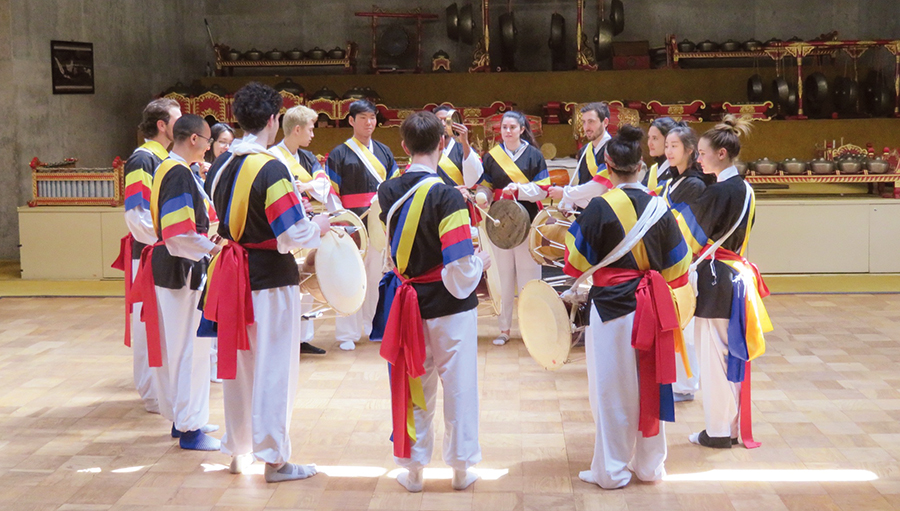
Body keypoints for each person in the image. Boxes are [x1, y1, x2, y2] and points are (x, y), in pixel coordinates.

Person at [204, 82, 330, 482]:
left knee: (240, 367)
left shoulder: (223, 162)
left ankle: (238, 449)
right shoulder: (271, 166)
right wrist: (319, 226)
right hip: (270, 278)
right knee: (275, 367)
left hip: (232, 271)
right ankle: (275, 459)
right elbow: (293, 232)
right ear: (274, 120)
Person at [563, 125, 692, 489]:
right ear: (640, 165)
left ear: (607, 164)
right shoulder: (660, 206)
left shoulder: (600, 207)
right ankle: (650, 466)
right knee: (651, 382)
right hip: (652, 305)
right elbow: (679, 271)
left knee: (612, 390)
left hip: (610, 310)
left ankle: (613, 470)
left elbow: (574, 263)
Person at [376, 111, 487, 493]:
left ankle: (414, 470)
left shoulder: (387, 191)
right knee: (459, 386)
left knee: (415, 384)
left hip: (407, 302)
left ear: (404, 147)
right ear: (443, 144)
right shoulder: (446, 195)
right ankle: (460, 470)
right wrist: (481, 264)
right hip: (451, 309)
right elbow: (458, 266)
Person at [679, 115, 771, 449]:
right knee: (729, 354)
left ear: (721, 153)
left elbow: (687, 234)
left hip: (717, 279)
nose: (698, 159)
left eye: (701, 153)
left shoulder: (719, 191)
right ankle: (729, 427)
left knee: (714, 357)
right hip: (734, 275)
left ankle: (718, 431)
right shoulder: (744, 188)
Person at [134, 114, 220, 450]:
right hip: (181, 267)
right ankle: (189, 427)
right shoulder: (178, 172)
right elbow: (178, 233)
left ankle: (185, 418)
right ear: (195, 139)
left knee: (186, 347)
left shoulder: (175, 169)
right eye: (209, 140)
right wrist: (213, 248)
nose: (210, 146)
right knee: (191, 347)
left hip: (177, 266)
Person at [116, 97, 181, 415]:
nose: (181, 125)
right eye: (176, 119)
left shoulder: (164, 158)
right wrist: (165, 241)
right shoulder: (143, 160)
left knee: (163, 324)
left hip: (162, 250)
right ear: (161, 125)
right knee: (146, 324)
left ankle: (162, 389)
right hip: (150, 252)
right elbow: (136, 214)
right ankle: (151, 392)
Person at [324, 99, 398, 351]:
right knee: (349, 276)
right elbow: (331, 193)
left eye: (373, 117)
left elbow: (394, 185)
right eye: (363, 118)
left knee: (377, 274)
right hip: (351, 224)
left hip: (377, 222)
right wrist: (342, 219)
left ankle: (373, 326)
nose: (369, 122)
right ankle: (347, 332)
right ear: (351, 120)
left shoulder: (385, 152)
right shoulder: (338, 154)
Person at [475, 111, 549, 346]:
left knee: (529, 278)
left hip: (528, 222)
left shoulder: (535, 156)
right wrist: (482, 195)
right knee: (503, 277)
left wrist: (519, 190)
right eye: (504, 127)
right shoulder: (491, 157)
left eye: (512, 127)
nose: (507, 131)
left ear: (522, 129)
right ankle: (504, 328)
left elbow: (543, 189)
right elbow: (485, 183)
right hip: (501, 223)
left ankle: (532, 329)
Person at [272, 105, 335, 355]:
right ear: (296, 129)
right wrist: (300, 189)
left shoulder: (307, 157)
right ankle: (287, 336)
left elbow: (323, 184)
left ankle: (303, 337)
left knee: (308, 276)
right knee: (291, 282)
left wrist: (306, 185)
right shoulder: (273, 157)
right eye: (310, 129)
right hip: (286, 224)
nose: (312, 134)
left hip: (309, 222)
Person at [660, 124, 708, 402]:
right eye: (667, 145)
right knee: (675, 325)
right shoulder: (673, 179)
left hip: (686, 261)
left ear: (690, 150)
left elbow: (684, 226)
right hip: (673, 260)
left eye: (674, 145)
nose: (668, 150)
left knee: (686, 326)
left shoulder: (693, 184)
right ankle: (678, 380)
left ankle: (687, 384)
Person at [547, 102, 612, 211]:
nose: (587, 127)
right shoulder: (584, 151)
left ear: (605, 122)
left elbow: (599, 187)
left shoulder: (614, 149)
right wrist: (570, 204)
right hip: (585, 213)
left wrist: (565, 193)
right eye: (584, 122)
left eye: (591, 122)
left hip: (606, 212)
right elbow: (583, 183)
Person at [432, 105, 484, 187]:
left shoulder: (463, 148)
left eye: (446, 120)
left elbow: (475, 175)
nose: (443, 124)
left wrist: (464, 141)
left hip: (459, 196)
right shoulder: (426, 149)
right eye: (439, 120)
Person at [641, 117, 678, 194]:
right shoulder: (652, 170)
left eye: (655, 138)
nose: (649, 143)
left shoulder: (676, 171)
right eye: (649, 138)